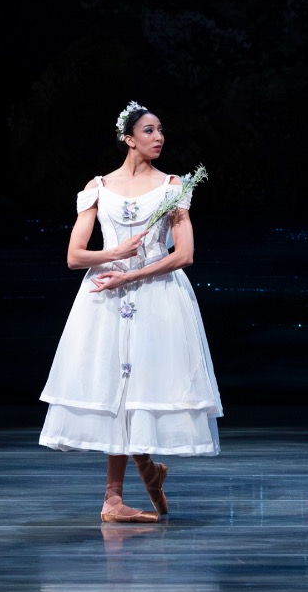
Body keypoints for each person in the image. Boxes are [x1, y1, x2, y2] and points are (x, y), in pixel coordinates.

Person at [39, 101, 220, 523]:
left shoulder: (173, 187)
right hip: (105, 296)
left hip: (156, 295)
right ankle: (126, 489)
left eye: (161, 131)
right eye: (149, 130)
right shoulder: (98, 187)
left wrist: (131, 276)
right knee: (113, 388)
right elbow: (73, 256)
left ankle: (127, 488)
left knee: (140, 387)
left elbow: (185, 254)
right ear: (128, 137)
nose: (159, 138)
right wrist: (115, 255)